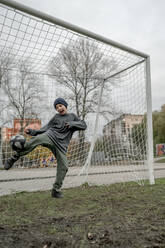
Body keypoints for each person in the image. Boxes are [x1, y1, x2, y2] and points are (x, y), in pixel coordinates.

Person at [4, 98, 87, 198]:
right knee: (36, 140)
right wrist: (33, 132)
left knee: (64, 167)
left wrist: (72, 124)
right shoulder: (56, 117)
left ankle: (56, 190)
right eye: (57, 107)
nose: (59, 108)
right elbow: (46, 128)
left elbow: (83, 125)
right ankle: (13, 158)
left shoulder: (72, 116)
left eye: (60, 106)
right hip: (50, 136)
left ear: (65, 105)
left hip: (61, 146)